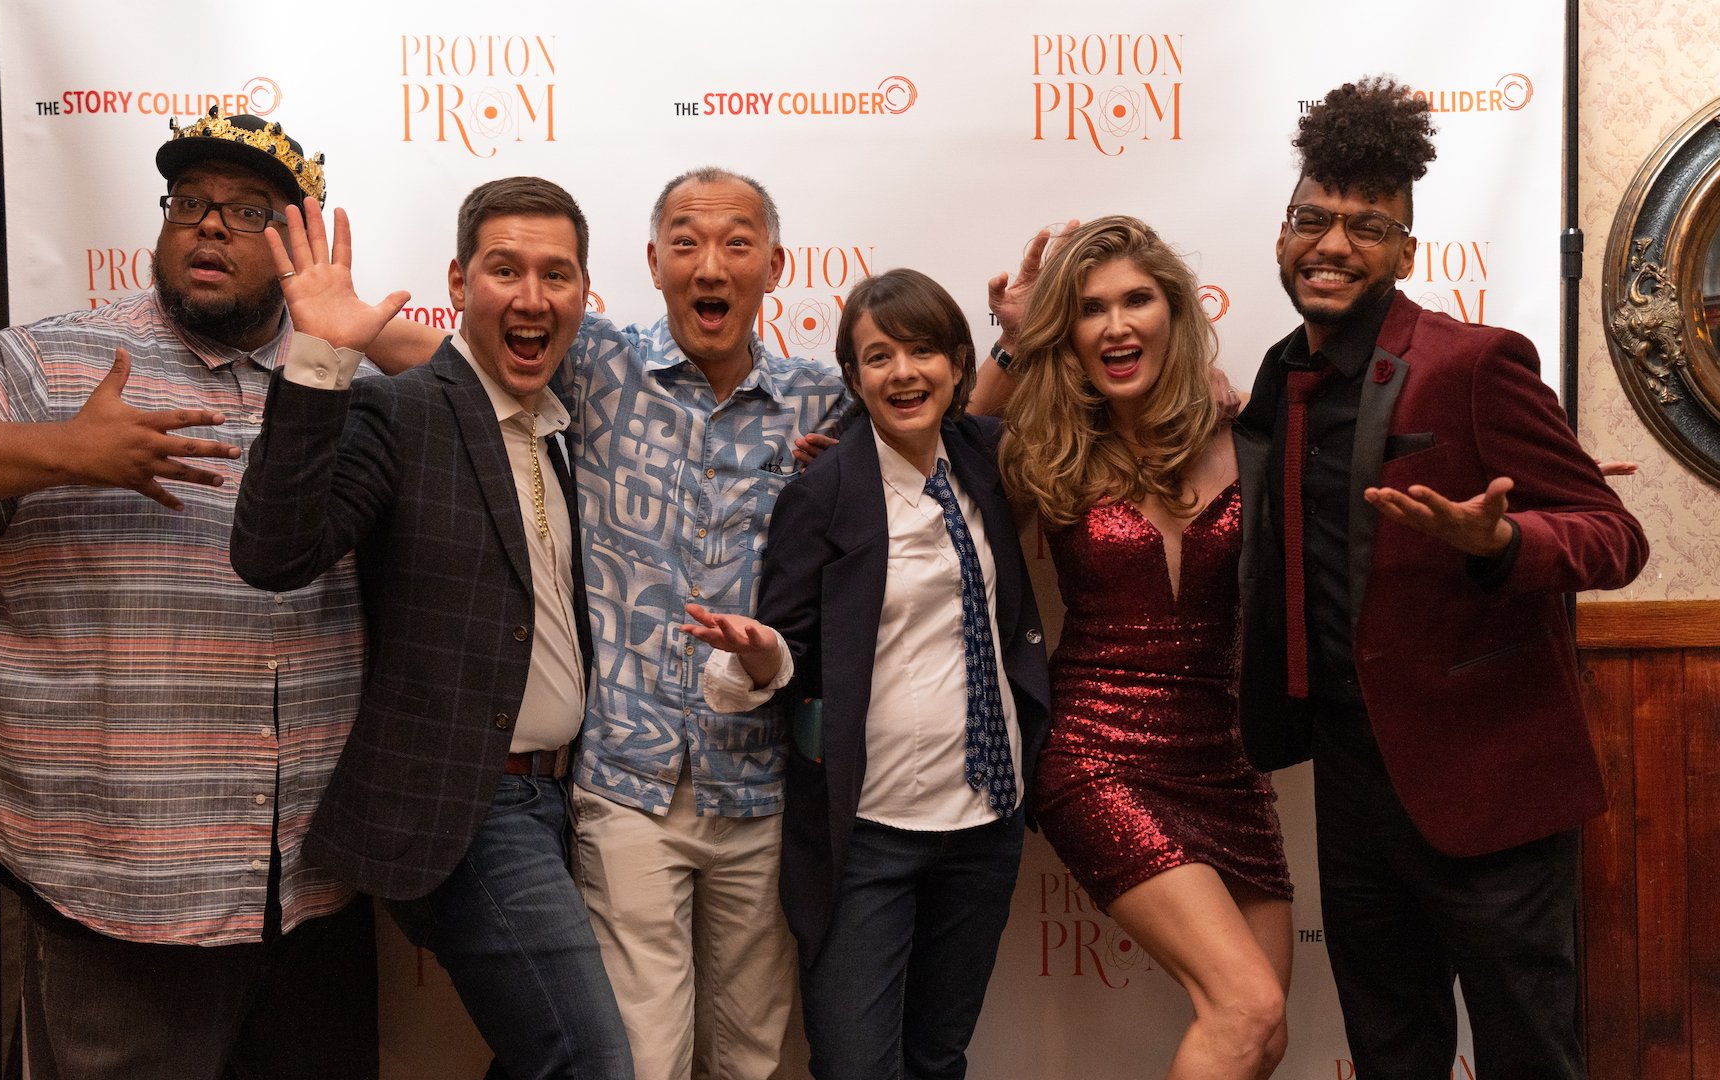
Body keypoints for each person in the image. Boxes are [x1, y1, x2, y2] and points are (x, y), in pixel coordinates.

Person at [0, 111, 379, 1079]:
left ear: (299, 242)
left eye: (248, 211)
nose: (210, 227)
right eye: (192, 204)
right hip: (120, 901)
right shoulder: (54, 364)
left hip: (310, 896)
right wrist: (65, 453)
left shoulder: (343, 379)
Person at [372, 165, 851, 1078]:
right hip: (625, 783)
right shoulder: (596, 362)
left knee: (751, 1056)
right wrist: (328, 332)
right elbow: (453, 362)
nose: (709, 264)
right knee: (639, 1058)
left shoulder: (821, 402)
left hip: (760, 789)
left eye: (736, 243)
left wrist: (1020, 354)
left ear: (775, 265)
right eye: (685, 242)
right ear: (652, 263)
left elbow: (941, 440)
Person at [1233, 77, 1647, 1080]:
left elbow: (1613, 535)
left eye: (1365, 228)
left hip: (1488, 780)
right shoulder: (1279, 379)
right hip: (1351, 781)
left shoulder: (1472, 364)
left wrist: (1500, 549)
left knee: (1526, 1053)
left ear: (1405, 253)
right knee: (1390, 1051)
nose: (1331, 244)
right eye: (1311, 220)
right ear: (1283, 234)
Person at [230, 176, 634, 1080]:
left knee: (538, 1054)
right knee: (589, 1061)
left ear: (582, 294)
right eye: (506, 270)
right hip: (471, 807)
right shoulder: (401, 411)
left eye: (557, 275)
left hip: (568, 802)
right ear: (458, 283)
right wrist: (322, 362)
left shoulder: (558, 430)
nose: (533, 297)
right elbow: (273, 552)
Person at [684, 268, 1051, 1079]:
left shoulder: (989, 464)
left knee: (939, 1057)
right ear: (854, 379)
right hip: (867, 836)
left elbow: (1105, 405)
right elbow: (794, 655)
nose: (903, 372)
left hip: (985, 823)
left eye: (922, 351)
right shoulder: (823, 492)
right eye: (878, 357)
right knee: (854, 1067)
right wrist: (759, 651)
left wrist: (1023, 334)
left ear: (959, 366)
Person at [980, 215, 1294, 1079]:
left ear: (1174, 312)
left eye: (1136, 300)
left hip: (1228, 762)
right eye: (1088, 309)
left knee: (1263, 1033)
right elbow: (941, 476)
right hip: (1098, 754)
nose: (1116, 324)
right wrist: (1009, 347)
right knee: (1246, 1006)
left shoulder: (1255, 439)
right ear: (1069, 337)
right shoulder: (1046, 451)